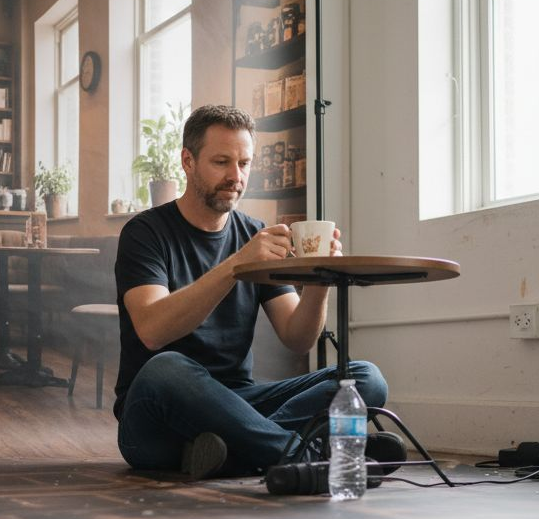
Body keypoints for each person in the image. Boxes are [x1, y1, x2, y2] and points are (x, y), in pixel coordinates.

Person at [113, 104, 404, 479]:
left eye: (245, 163)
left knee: (365, 377)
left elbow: (297, 337)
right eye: (221, 162)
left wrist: (319, 279)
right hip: (155, 417)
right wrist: (236, 266)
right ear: (188, 161)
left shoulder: (254, 233)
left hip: (239, 403)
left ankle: (240, 452)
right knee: (167, 368)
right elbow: (153, 331)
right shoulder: (145, 233)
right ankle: (308, 452)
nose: (236, 176)